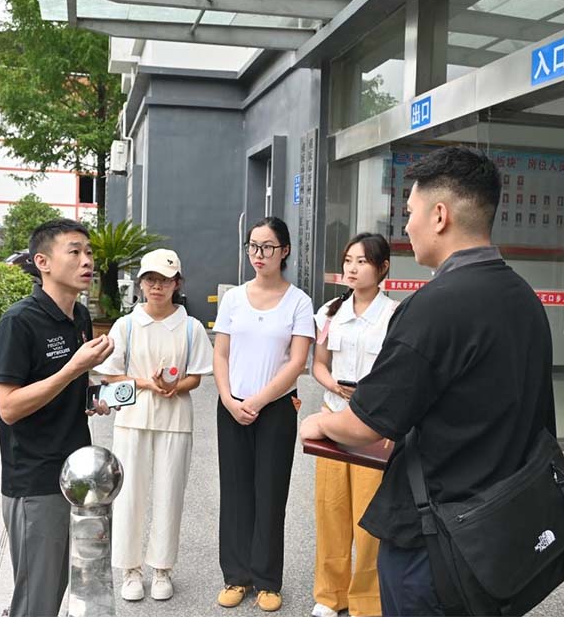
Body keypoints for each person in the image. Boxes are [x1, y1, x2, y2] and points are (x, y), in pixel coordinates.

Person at [300, 146, 556, 617]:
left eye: (410, 212)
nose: (406, 226)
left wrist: (319, 423)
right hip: (501, 531)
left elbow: (366, 424)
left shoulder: (434, 306)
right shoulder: (524, 298)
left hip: (437, 537)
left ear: (440, 215)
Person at [0, 218, 115, 617]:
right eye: (74, 252)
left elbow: (67, 387)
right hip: (35, 482)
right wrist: (73, 369)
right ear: (42, 262)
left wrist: (92, 395)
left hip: (77, 477)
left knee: (64, 588)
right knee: (37, 601)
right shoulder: (18, 322)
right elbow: (9, 407)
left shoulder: (79, 316)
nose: (87, 261)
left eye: (89, 252)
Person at [90, 248, 214, 602]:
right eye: (150, 279)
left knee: (169, 493)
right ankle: (130, 569)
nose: (156, 286)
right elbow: (110, 375)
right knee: (129, 493)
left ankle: (162, 569)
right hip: (132, 419)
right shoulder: (126, 325)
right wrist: (148, 383)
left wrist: (174, 386)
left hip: (176, 420)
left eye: (164, 280)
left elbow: (196, 378)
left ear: (177, 284)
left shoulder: (190, 327)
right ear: (141, 284)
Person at [213, 216, 315, 612]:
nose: (259, 254)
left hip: (275, 410)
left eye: (268, 247)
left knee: (270, 494)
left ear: (284, 250)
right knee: (235, 493)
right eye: (253, 246)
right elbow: (221, 354)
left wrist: (257, 401)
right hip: (231, 407)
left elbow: (297, 362)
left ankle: (268, 581)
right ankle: (236, 576)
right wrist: (228, 398)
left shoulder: (299, 301)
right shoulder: (234, 298)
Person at [311, 233, 397, 617]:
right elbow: (318, 364)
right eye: (348, 260)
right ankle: (330, 595)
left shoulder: (394, 315)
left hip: (372, 425)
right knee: (330, 509)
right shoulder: (330, 312)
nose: (352, 268)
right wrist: (333, 386)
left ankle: (367, 600)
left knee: (368, 516)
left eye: (362, 261)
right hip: (333, 419)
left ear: (382, 268)